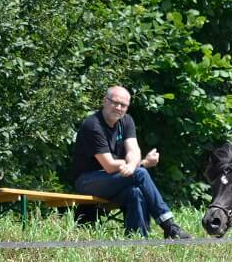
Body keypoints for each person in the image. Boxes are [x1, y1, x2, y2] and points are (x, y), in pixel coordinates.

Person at [72, 86, 191, 239]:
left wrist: (134, 164)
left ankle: (137, 240)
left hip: (114, 179)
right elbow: (108, 165)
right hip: (87, 181)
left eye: (123, 105)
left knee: (135, 192)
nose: (119, 108)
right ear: (105, 101)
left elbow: (133, 151)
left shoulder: (126, 121)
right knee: (140, 173)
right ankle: (169, 225)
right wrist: (139, 165)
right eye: (115, 103)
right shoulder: (93, 125)